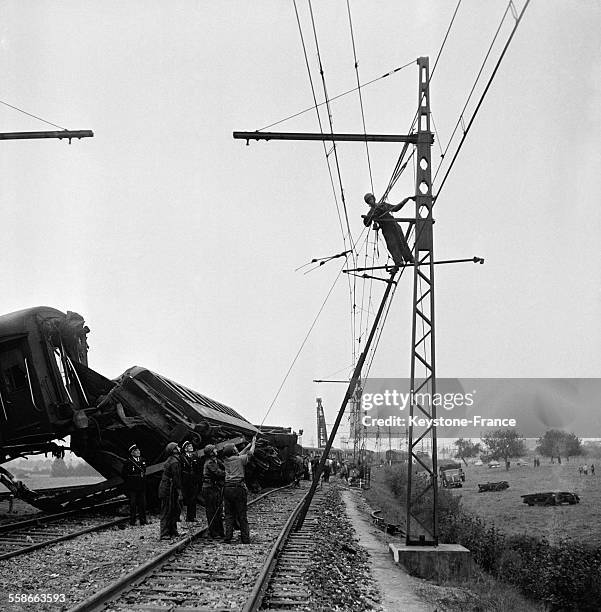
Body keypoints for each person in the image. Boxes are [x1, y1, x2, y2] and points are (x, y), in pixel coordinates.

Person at [362, 193, 415, 268]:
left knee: (401, 241)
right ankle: (398, 261)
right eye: (368, 200)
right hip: (386, 229)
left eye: (371, 199)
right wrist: (367, 217)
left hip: (394, 225)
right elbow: (367, 224)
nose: (371, 201)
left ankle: (410, 258)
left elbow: (396, 208)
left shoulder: (383, 205)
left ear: (374, 198)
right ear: (368, 203)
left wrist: (406, 199)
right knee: (391, 244)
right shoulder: (371, 212)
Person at [222, 436, 256, 544]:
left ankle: (228, 537)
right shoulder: (240, 460)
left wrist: (247, 445)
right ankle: (245, 539)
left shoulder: (226, 460)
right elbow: (250, 454)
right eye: (235, 448)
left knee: (229, 514)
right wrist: (253, 443)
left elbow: (239, 454)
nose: (236, 448)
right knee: (242, 514)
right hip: (238, 489)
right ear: (233, 451)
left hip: (227, 489)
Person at [158, 442, 183, 540]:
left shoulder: (172, 460)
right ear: (174, 450)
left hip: (168, 488)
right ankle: (164, 533)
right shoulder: (174, 462)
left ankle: (173, 531)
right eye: (178, 447)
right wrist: (180, 492)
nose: (180, 448)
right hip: (168, 489)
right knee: (167, 511)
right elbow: (176, 479)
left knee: (173, 510)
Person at [202, 444, 225, 538]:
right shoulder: (210, 463)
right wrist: (229, 473)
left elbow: (223, 467)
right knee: (212, 511)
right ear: (211, 452)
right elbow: (218, 473)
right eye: (214, 449)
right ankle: (214, 532)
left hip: (213, 488)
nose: (216, 450)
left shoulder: (216, 461)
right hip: (209, 488)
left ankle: (219, 531)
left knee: (218, 510)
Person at [121, 444, 147, 526]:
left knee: (142, 504)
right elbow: (124, 474)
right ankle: (132, 521)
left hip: (141, 485)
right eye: (136, 451)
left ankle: (143, 520)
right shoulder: (128, 462)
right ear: (132, 453)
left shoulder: (143, 460)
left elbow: (144, 471)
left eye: (138, 450)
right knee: (133, 504)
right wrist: (130, 481)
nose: (138, 452)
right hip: (132, 486)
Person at [180, 440, 202, 522]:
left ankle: (191, 517)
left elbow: (198, 469)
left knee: (193, 499)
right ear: (185, 449)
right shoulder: (182, 458)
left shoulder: (195, 457)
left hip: (193, 481)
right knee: (185, 498)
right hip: (185, 481)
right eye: (189, 446)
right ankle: (182, 516)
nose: (191, 447)